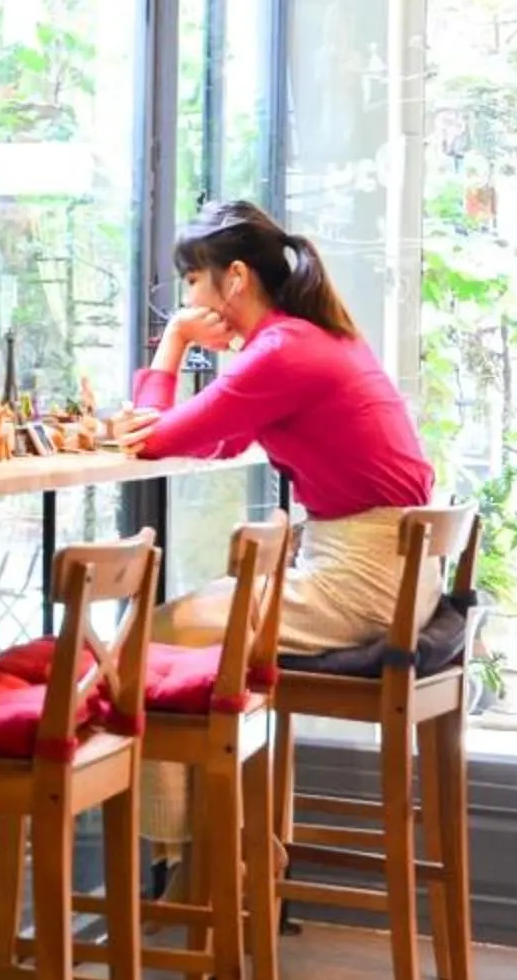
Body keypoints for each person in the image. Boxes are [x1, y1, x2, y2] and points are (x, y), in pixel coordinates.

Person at [115, 200, 436, 656]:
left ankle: (114, 724)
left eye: (192, 282)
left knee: (147, 633)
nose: (187, 303)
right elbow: (226, 443)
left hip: (362, 584)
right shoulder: (306, 335)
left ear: (236, 278)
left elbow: (148, 442)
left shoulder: (281, 349)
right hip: (396, 578)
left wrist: (176, 337)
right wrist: (163, 428)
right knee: (172, 620)